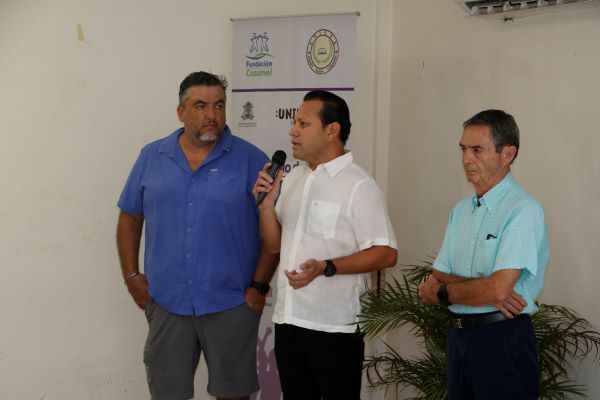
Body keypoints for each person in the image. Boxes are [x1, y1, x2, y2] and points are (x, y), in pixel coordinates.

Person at [116, 71, 278, 400]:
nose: (212, 115)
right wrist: (131, 275)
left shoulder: (251, 160)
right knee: (167, 394)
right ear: (181, 112)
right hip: (167, 302)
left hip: (231, 303)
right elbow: (130, 216)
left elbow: (273, 229)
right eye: (200, 106)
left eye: (219, 105)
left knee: (234, 395)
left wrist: (259, 286)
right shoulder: (152, 157)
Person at [253, 90, 398, 400]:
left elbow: (386, 253)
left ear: (332, 131)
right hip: (289, 320)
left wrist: (327, 267)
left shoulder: (359, 185)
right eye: (294, 122)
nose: (293, 131)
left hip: (334, 328)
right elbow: (275, 244)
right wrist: (265, 207)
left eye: (303, 124)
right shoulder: (294, 178)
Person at [418, 109, 549, 400]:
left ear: (508, 154)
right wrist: (485, 288)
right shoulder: (461, 211)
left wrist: (442, 292)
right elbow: (439, 272)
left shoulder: (523, 209)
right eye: (463, 149)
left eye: (477, 150)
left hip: (502, 339)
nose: (466, 159)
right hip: (459, 338)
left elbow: (497, 289)